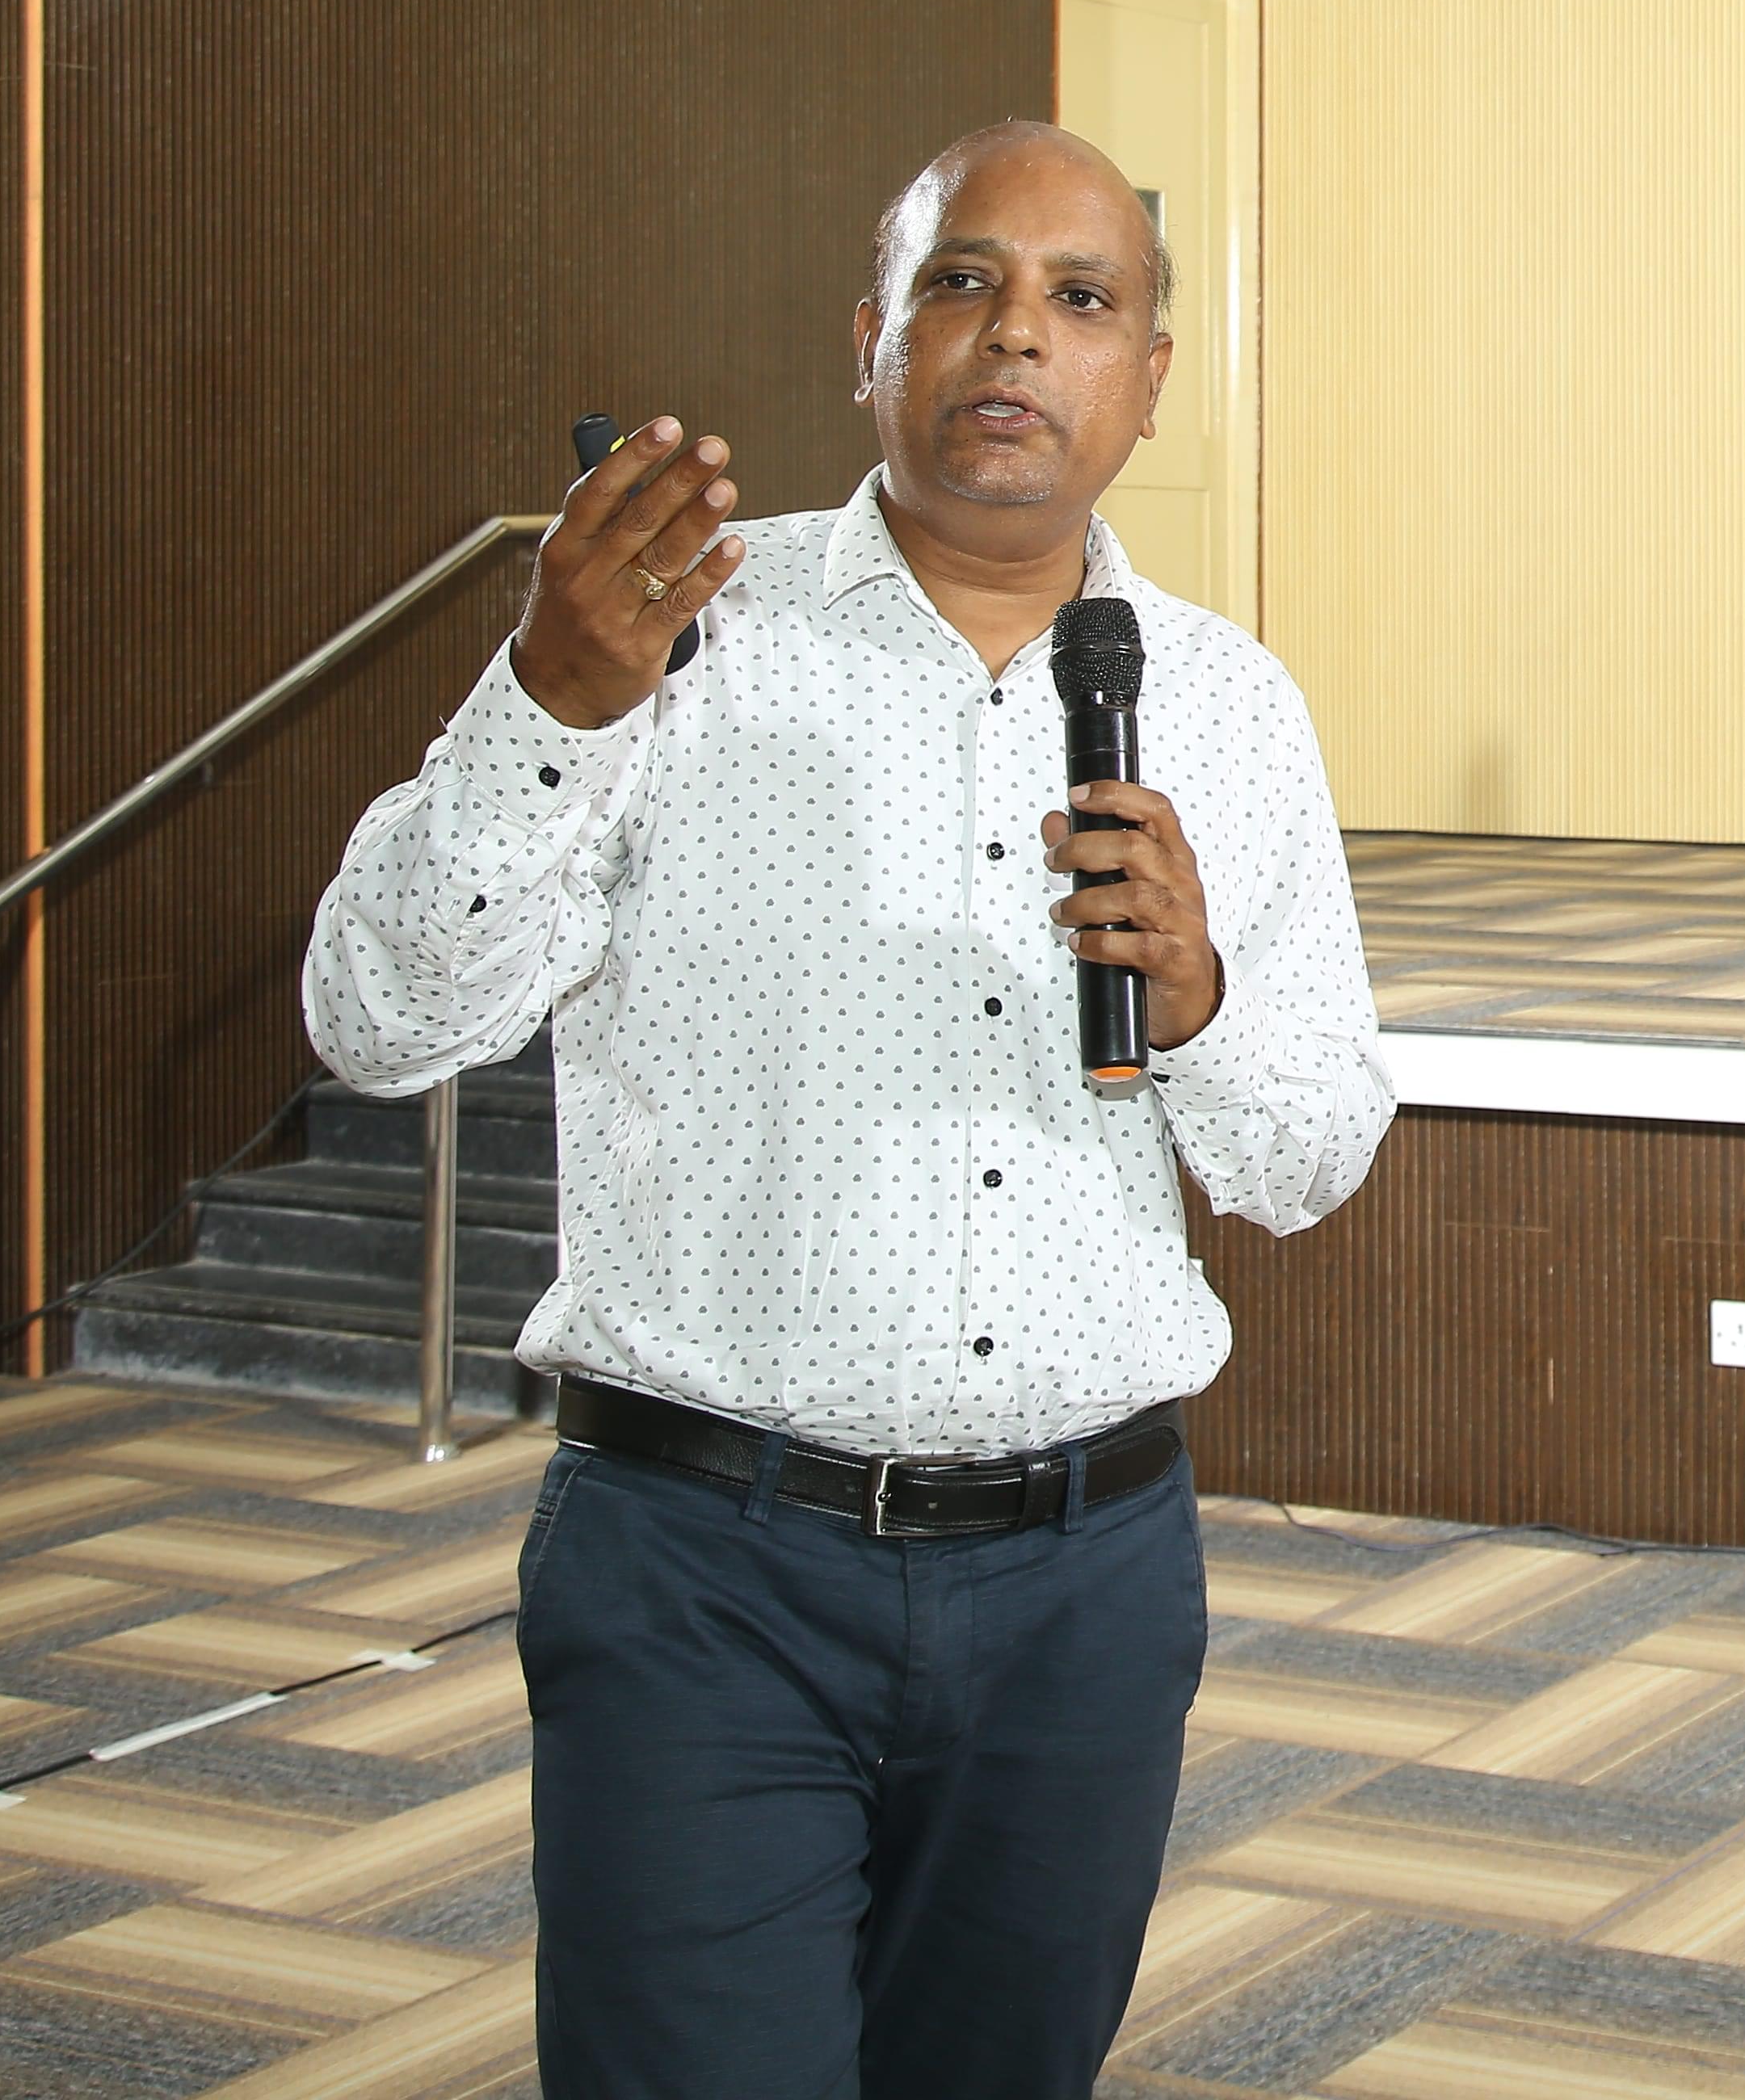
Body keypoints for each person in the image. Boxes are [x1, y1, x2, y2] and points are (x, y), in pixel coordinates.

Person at [301, 120, 1390, 2100]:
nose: (1017, 336)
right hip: (702, 1573)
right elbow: (380, 1022)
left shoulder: (1230, 705)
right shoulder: (672, 641)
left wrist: (1203, 1005)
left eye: (1082, 299)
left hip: (1085, 1591)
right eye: (964, 281)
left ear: (1150, 378)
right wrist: (550, 706)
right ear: (869, 337)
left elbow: (1308, 1161)